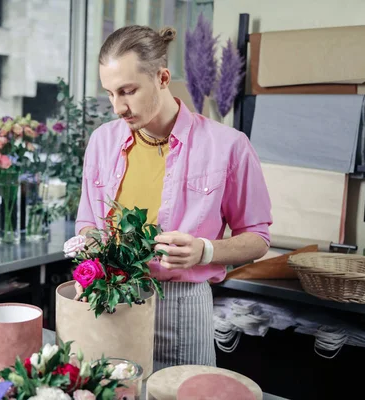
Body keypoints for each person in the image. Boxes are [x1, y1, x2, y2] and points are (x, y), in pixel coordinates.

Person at [74, 25, 273, 369]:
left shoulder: (228, 146)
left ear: (162, 77)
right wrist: (90, 245)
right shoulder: (101, 142)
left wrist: (204, 250)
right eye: (110, 93)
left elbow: (258, 239)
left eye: (128, 91)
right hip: (111, 302)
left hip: (181, 307)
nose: (118, 107)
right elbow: (88, 222)